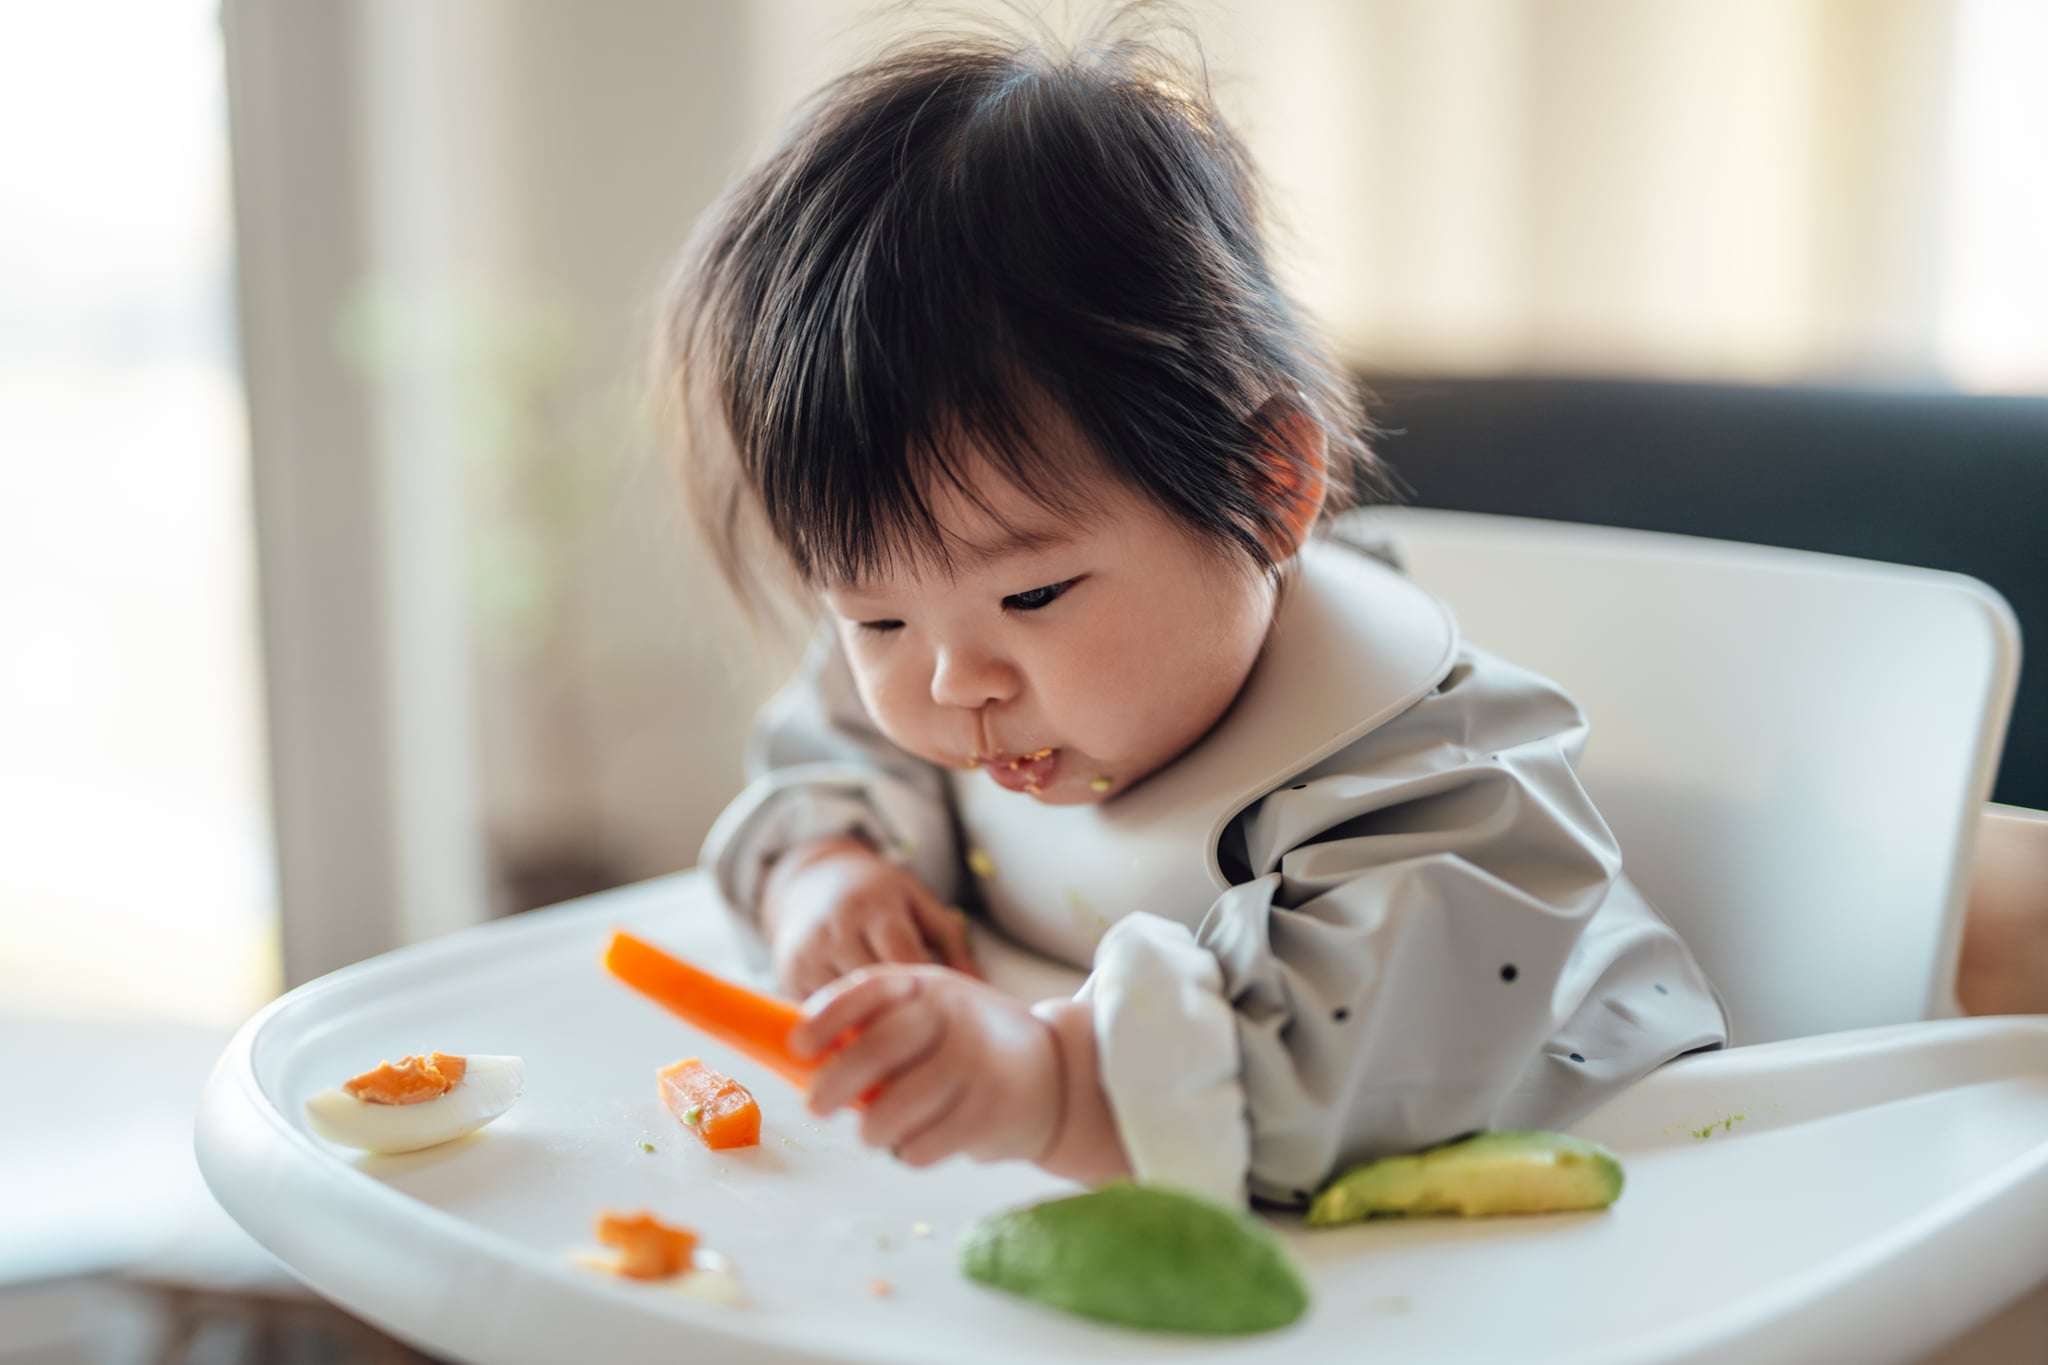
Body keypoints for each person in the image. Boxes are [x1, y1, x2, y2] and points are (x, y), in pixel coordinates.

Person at [658, 21, 1727, 1208]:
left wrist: (1055, 1083)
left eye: (1032, 593)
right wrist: (822, 871)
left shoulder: (1437, 789)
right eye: (871, 619)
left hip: (1582, 1190)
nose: (954, 683)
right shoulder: (964, 655)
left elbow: (1352, 1058)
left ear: (1268, 485)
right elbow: (834, 758)